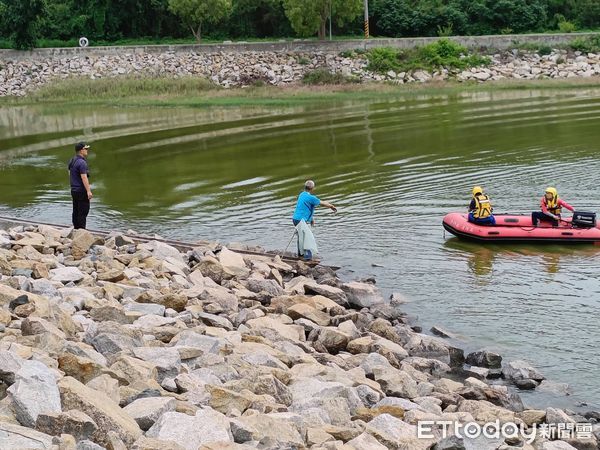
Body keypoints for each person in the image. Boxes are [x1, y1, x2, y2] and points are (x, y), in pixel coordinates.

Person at [292, 180, 337, 260]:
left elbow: (305, 208)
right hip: (301, 221)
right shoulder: (311, 198)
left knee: (301, 237)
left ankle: (300, 255)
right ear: (312, 188)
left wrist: (311, 219)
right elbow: (322, 203)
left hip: (295, 219)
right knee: (308, 238)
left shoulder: (301, 195)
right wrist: (331, 206)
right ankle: (307, 258)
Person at [68, 142, 93, 229]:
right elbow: (84, 177)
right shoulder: (82, 163)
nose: (87, 150)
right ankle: (82, 232)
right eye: (85, 149)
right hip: (81, 191)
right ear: (81, 150)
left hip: (74, 190)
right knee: (83, 212)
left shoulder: (72, 160)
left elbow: (69, 174)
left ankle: (76, 229)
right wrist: (88, 191)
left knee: (76, 211)